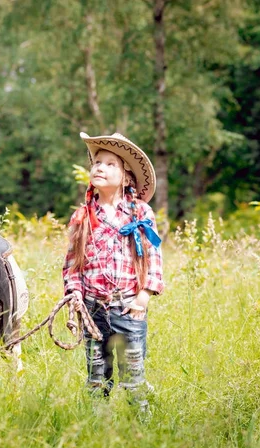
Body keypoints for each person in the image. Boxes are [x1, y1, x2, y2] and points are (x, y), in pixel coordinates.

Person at [63, 132, 165, 408]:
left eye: (110, 164)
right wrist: (74, 295)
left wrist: (143, 295)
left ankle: (143, 425)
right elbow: (73, 263)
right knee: (97, 378)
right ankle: (97, 427)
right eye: (97, 162)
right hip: (92, 309)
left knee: (133, 376)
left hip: (128, 307)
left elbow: (154, 256)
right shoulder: (82, 216)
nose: (100, 167)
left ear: (127, 177)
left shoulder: (140, 213)